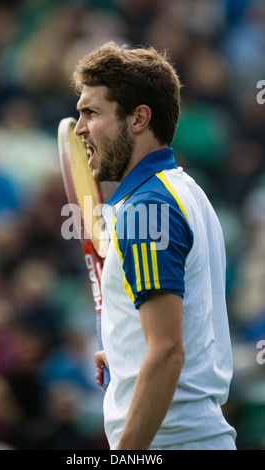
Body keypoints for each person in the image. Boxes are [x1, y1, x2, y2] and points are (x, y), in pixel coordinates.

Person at [72, 42, 237, 451]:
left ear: (138, 118)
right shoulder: (183, 191)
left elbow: (166, 352)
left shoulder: (148, 207)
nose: (79, 128)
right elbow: (175, 332)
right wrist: (126, 352)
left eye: (91, 113)